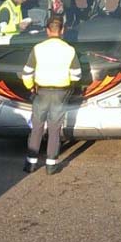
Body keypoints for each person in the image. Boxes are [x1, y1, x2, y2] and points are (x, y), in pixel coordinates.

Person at [21, 16, 82, 175]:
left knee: (37, 127)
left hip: (41, 91)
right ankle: (51, 165)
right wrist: (70, 85)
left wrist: (30, 88)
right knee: (55, 129)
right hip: (61, 93)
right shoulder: (70, 50)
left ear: (47, 30)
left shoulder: (38, 48)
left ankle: (31, 163)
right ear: (62, 31)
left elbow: (27, 73)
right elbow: (76, 75)